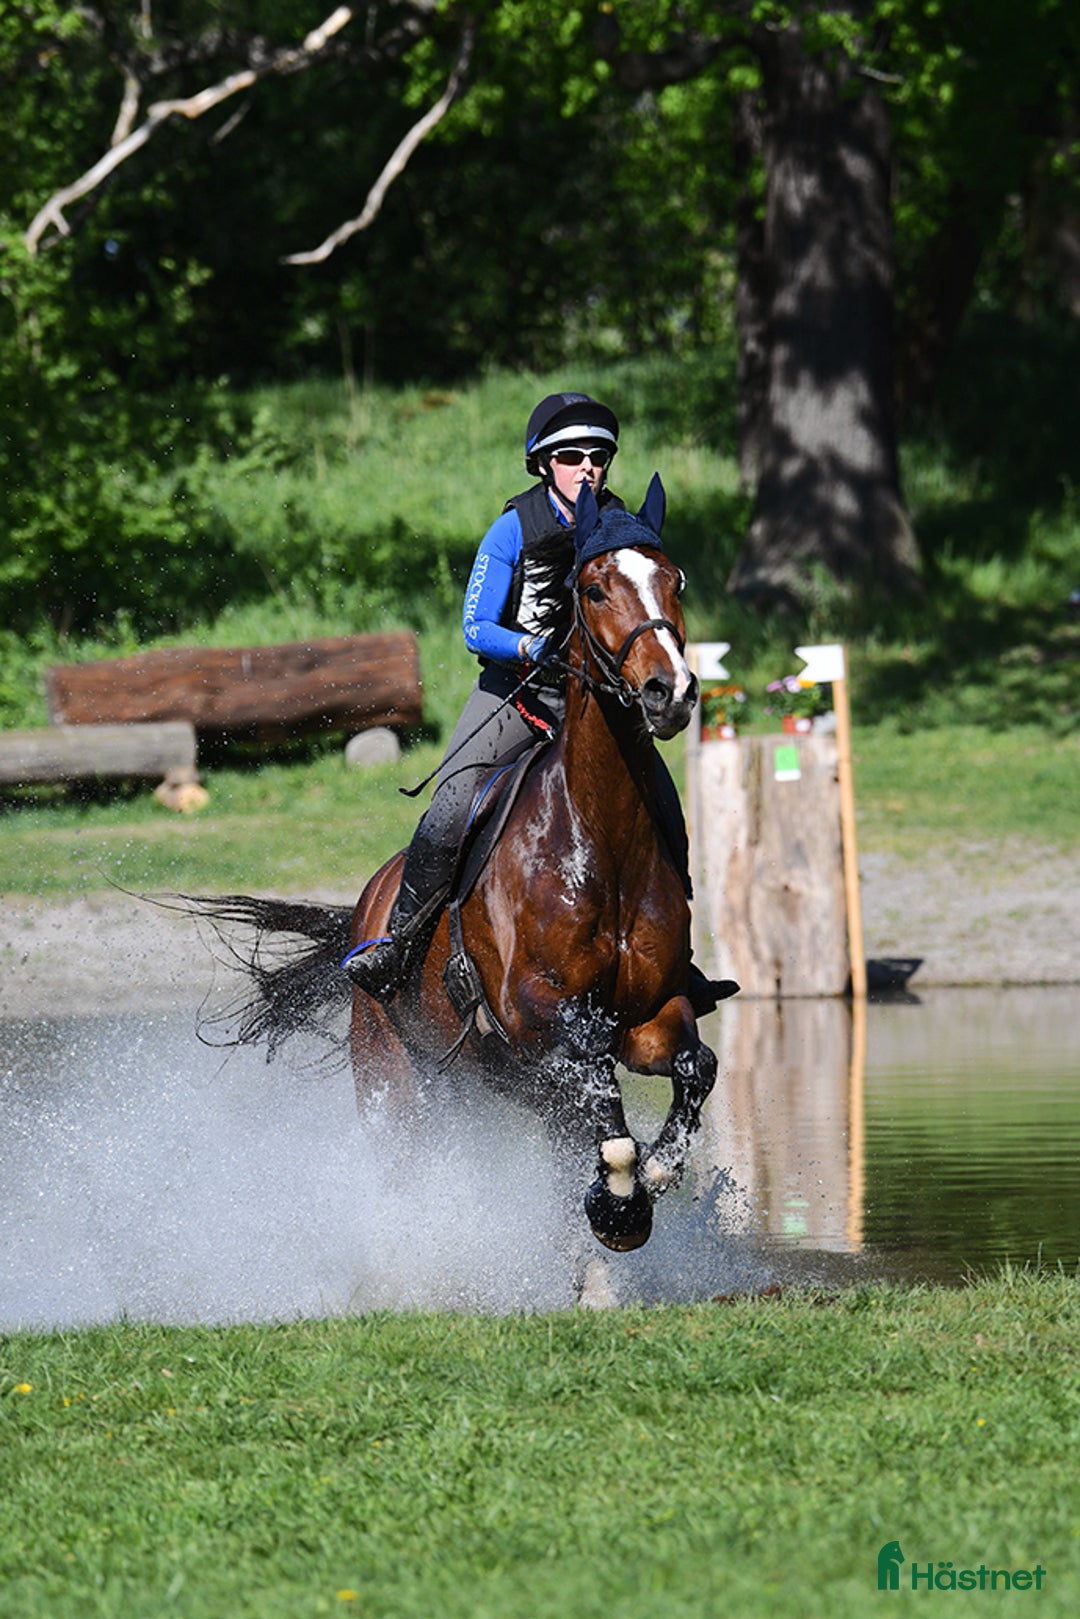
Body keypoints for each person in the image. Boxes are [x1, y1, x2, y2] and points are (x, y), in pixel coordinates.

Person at [344, 390, 727, 1014]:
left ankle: (677, 963)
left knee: (663, 807)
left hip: (595, 703)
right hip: (515, 692)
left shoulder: (617, 527)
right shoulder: (514, 527)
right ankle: (398, 941)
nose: (589, 468)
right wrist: (534, 647)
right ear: (544, 464)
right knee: (450, 807)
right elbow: (475, 628)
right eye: (573, 456)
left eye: (599, 456)